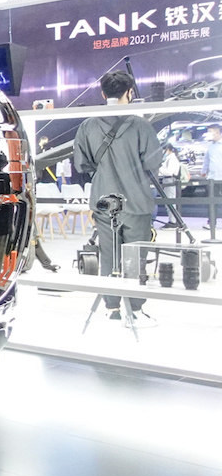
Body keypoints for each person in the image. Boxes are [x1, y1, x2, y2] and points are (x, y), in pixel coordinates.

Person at [73, 71, 163, 320]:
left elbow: (82, 164)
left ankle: (111, 307)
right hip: (136, 200)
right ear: (130, 92)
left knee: (108, 254)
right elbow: (153, 162)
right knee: (136, 256)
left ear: (103, 94)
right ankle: (135, 308)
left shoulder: (88, 125)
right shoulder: (141, 125)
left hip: (103, 200)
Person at [201, 124, 222, 237]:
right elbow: (207, 160)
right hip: (212, 178)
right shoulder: (210, 146)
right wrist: (204, 171)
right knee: (212, 202)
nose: (208, 134)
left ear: (218, 132)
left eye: (211, 132)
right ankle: (211, 223)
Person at [158, 142, 183, 228]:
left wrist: (159, 167)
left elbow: (169, 172)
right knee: (168, 201)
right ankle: (173, 220)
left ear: (167, 150)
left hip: (170, 180)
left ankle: (173, 221)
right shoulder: (169, 158)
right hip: (167, 180)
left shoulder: (172, 159)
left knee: (170, 201)